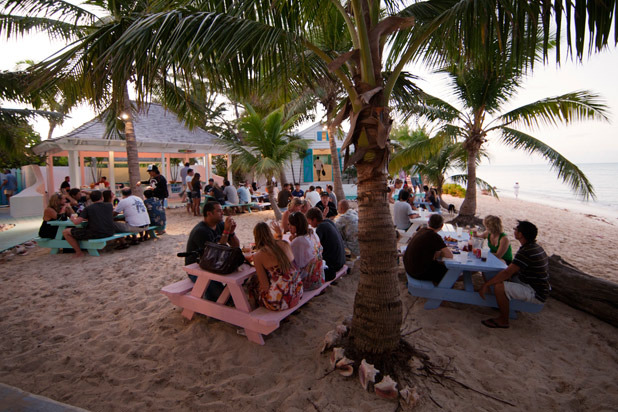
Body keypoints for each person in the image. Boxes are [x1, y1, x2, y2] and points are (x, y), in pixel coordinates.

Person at [479, 221, 550, 328]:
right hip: (537, 286)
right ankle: (500, 302)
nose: (514, 231)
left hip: (535, 292)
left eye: (516, 229)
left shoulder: (526, 251)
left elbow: (508, 272)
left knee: (499, 287)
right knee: (499, 276)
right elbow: (514, 270)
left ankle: (503, 320)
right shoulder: (534, 247)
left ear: (520, 234)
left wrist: (486, 285)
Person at [185, 202, 240, 300]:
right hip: (197, 269)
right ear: (209, 213)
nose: (222, 213)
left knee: (240, 275)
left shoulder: (220, 225)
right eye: (218, 211)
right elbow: (216, 254)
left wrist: (231, 233)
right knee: (221, 298)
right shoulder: (201, 231)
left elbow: (236, 245)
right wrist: (226, 232)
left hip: (214, 265)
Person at [248, 222, 303, 311]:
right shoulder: (285, 243)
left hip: (279, 302)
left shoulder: (258, 255)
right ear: (270, 233)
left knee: (252, 284)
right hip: (298, 292)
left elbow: (265, 286)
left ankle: (254, 311)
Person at [274, 212, 325, 291]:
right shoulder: (312, 232)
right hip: (320, 277)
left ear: (298, 225)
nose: (289, 227)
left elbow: (291, 262)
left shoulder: (299, 241)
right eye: (288, 224)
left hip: (310, 282)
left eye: (291, 225)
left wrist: (279, 236)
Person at [62, 190, 115, 258]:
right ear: (102, 198)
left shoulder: (88, 208)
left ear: (91, 199)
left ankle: (79, 252)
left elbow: (76, 222)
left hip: (96, 233)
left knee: (66, 232)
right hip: (110, 231)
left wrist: (72, 218)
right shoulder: (109, 205)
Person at [404, 214, 453, 284]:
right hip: (417, 272)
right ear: (442, 226)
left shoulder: (422, 230)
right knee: (449, 271)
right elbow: (449, 255)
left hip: (409, 267)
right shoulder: (434, 236)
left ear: (428, 223)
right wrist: (442, 252)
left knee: (440, 265)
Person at [306, 208, 345, 281]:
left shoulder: (321, 227)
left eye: (310, 222)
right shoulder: (328, 221)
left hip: (334, 265)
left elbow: (313, 246)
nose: (310, 225)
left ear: (314, 219)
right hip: (341, 260)